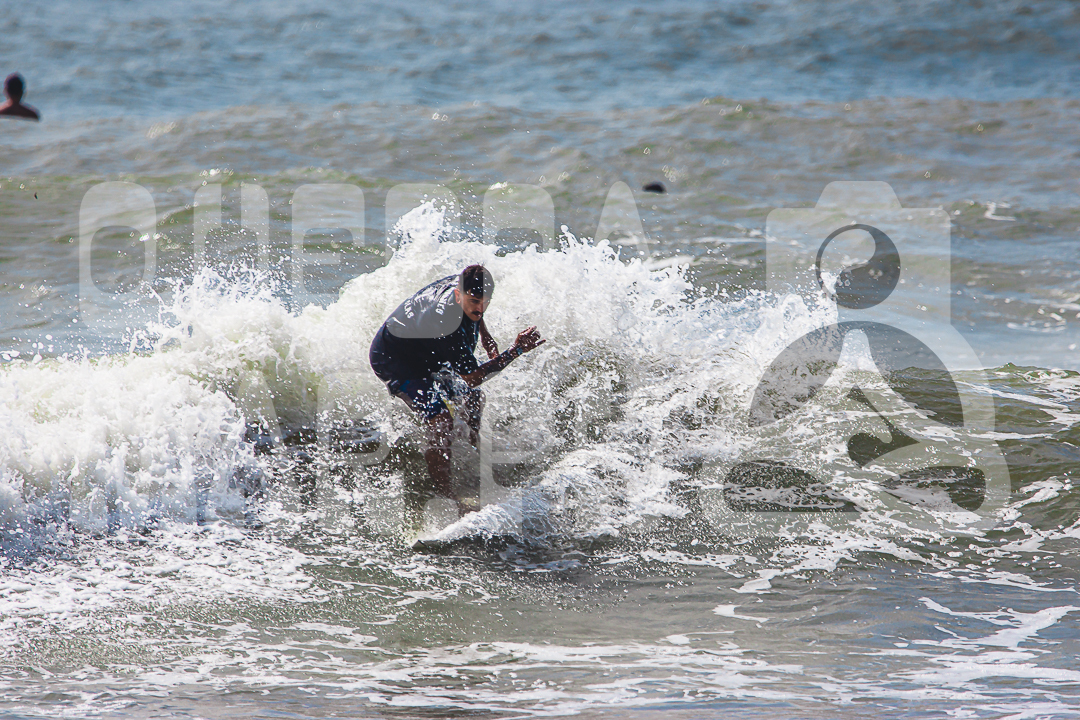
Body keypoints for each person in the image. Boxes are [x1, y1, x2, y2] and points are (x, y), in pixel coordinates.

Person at [370, 265, 545, 523]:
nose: (480, 308)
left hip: (425, 345)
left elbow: (475, 310)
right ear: (457, 295)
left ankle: (474, 450)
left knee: (474, 399)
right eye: (474, 301)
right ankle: (447, 496)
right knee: (442, 421)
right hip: (395, 358)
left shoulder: (466, 283)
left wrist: (485, 335)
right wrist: (515, 351)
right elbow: (473, 377)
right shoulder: (447, 325)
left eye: (485, 302)